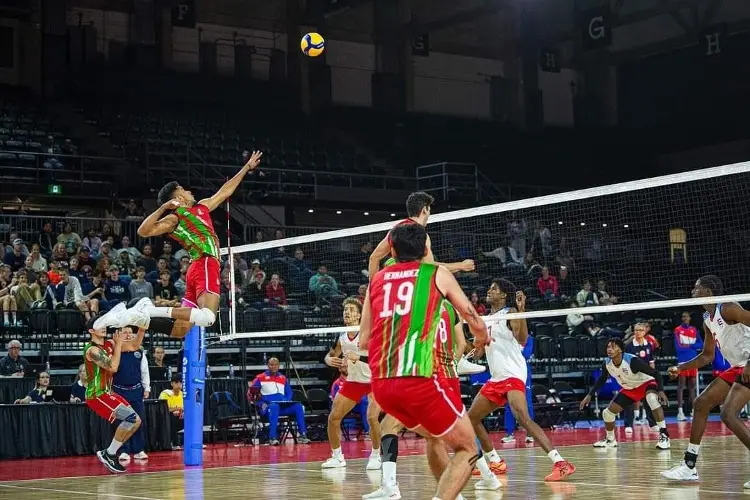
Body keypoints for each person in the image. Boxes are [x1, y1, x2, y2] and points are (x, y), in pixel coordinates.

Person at [360, 222, 489, 500]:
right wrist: (482, 338)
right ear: (426, 248)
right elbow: (472, 318)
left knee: (433, 435)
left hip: (382, 384)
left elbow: (363, 340)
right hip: (419, 380)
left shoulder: (377, 280)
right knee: (469, 448)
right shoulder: (436, 273)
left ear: (391, 248)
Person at [95, 151, 263, 337]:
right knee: (208, 317)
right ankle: (148, 309)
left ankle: (133, 317)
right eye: (183, 189)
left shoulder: (202, 206)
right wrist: (164, 208)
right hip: (205, 263)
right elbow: (143, 231)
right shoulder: (175, 218)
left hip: (196, 269)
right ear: (178, 198)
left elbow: (225, 191)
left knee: (180, 331)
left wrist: (247, 167)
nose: (189, 191)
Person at [470, 280, 574, 490]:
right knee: (470, 419)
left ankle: (560, 463)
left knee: (522, 418)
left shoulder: (510, 312)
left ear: (504, 295)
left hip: (513, 373)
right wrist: (474, 349)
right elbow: (480, 351)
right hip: (496, 377)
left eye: (494, 289)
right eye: (489, 288)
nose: (489, 291)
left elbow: (522, 338)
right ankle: (495, 461)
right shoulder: (486, 319)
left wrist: (522, 311)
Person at [662, 275, 750, 485]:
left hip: (748, 362)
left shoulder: (728, 307)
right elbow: (707, 356)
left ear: (709, 291)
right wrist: (680, 368)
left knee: (728, 414)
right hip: (738, 366)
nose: (692, 291)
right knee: (701, 404)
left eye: (696, 288)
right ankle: (689, 466)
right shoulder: (707, 319)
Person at [83, 308, 148, 473]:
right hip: (96, 395)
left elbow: (134, 345)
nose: (104, 327)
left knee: (136, 421)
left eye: (105, 324)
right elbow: (112, 367)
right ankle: (110, 453)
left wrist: (142, 327)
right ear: (91, 330)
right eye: (100, 325)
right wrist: (118, 344)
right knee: (131, 418)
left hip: (108, 393)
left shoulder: (109, 344)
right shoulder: (93, 350)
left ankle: (110, 453)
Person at [321, 297, 382, 471]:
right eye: (345, 310)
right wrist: (328, 359)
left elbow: (379, 359)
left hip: (373, 381)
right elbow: (332, 353)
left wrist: (359, 357)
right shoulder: (341, 336)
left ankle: (377, 455)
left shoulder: (367, 332)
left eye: (352, 310)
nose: (347, 312)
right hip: (354, 382)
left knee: (372, 418)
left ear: (360, 315)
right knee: (333, 418)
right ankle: (337, 457)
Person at [580, 337, 670, 450]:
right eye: (608, 347)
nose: (610, 349)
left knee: (652, 399)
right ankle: (610, 440)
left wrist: (661, 391)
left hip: (646, 384)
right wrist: (589, 395)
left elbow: (656, 374)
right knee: (607, 413)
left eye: (613, 347)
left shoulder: (632, 361)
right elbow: (602, 379)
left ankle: (664, 435)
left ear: (620, 350)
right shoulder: (607, 364)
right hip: (630, 388)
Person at [112, 323, 151, 463]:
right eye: (125, 332)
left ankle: (139, 449)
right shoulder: (115, 351)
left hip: (136, 390)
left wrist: (147, 388)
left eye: (130, 332)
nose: (128, 334)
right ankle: (123, 450)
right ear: (119, 335)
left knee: (139, 421)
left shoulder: (139, 352)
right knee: (123, 421)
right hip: (119, 391)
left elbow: (144, 371)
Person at [249, 357, 311, 445]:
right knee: (274, 406)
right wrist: (261, 404)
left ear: (279, 366)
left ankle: (302, 435)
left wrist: (286, 400)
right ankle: (272, 438)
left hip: (281, 406)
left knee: (298, 406)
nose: (273, 367)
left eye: (275, 365)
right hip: (266, 407)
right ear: (268, 365)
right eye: (271, 364)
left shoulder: (283, 378)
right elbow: (250, 394)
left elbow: (289, 393)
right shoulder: (260, 378)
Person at [499, 333, 535, 444]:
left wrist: (513, 353)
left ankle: (530, 433)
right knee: (509, 403)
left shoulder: (528, 338)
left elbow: (527, 354)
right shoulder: (507, 337)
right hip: (510, 371)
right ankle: (509, 434)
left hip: (524, 373)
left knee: (527, 403)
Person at [674, 311, 702, 421]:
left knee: (692, 386)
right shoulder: (677, 330)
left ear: (690, 318)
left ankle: (694, 410)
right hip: (683, 362)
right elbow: (679, 347)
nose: (685, 318)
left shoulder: (694, 330)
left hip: (694, 361)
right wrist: (693, 347)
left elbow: (701, 344)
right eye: (683, 316)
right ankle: (680, 412)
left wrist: (689, 345)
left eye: (686, 316)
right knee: (681, 386)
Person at [159, 373, 185, 450]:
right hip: (166, 419)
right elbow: (164, 409)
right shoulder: (166, 394)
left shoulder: (182, 394)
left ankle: (195, 441)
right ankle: (174, 444)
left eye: (181, 383)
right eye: (176, 383)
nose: (179, 385)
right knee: (172, 417)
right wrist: (179, 408)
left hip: (180, 418)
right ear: (171, 383)